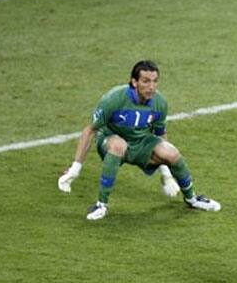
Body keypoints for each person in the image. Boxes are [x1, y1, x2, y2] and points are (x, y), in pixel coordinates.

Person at [58, 60, 221, 220]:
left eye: (155, 81)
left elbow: (160, 135)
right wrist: (75, 168)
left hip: (141, 142)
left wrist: (166, 174)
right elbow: (90, 130)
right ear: (134, 82)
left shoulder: (159, 103)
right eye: (146, 81)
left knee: (172, 152)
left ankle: (191, 199)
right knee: (118, 145)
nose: (151, 87)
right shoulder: (114, 99)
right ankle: (101, 205)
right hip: (110, 139)